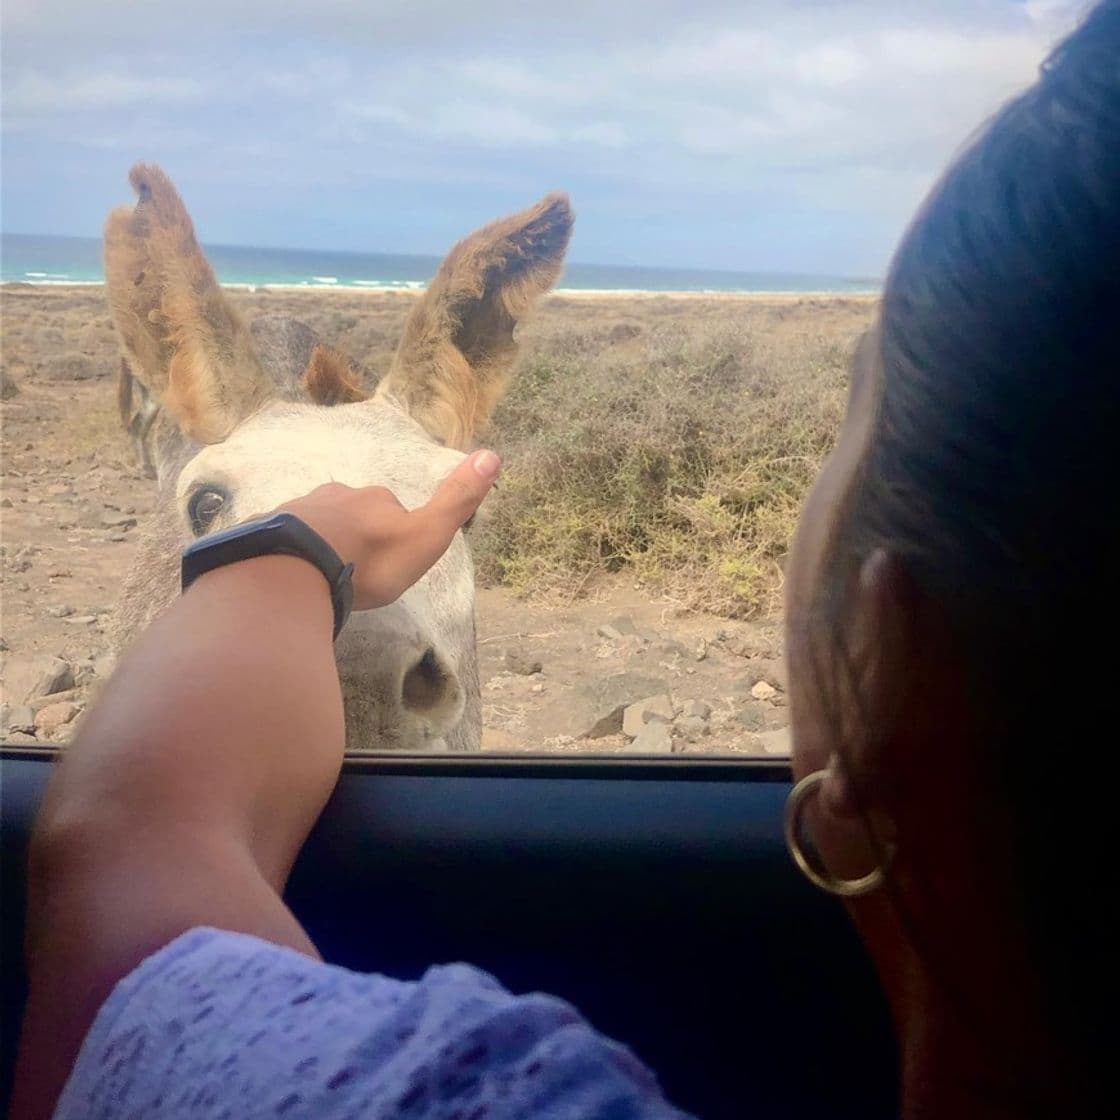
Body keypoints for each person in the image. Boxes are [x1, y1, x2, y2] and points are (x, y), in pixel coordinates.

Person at [11, 1, 1119, 1115]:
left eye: (852, 417)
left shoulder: (494, 1093)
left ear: (900, 659)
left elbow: (121, 867)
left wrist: (293, 550)